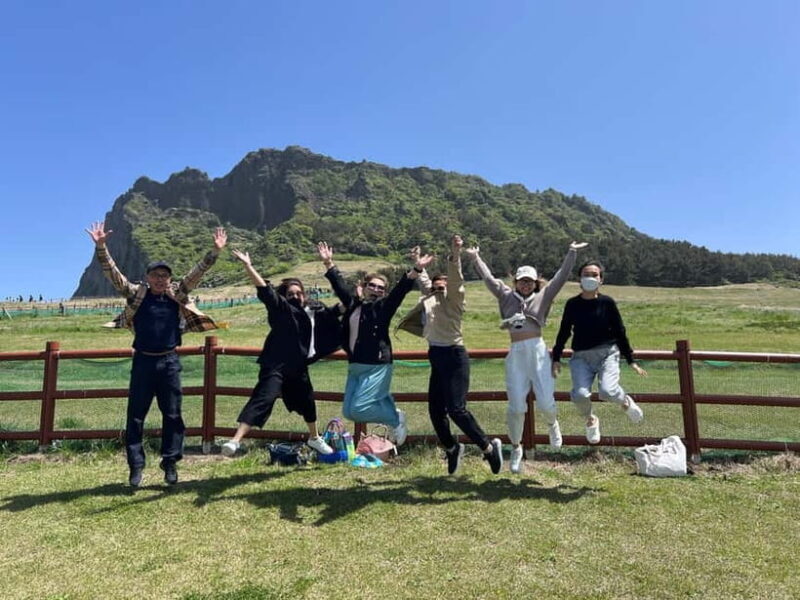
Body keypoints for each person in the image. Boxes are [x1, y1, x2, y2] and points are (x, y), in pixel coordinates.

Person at [86, 220, 227, 487]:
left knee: (173, 415)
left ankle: (170, 463)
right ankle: (136, 466)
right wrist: (101, 248)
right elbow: (113, 275)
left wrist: (215, 252)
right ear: (148, 277)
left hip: (170, 362)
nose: (161, 279)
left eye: (165, 276)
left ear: (170, 279)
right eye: (156, 275)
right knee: (135, 416)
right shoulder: (136, 295)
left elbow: (196, 273)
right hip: (142, 362)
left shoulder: (177, 295)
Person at [465, 241, 587, 474]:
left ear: (535, 283)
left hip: (538, 351)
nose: (525, 284)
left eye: (529, 281)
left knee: (545, 401)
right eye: (522, 280)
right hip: (516, 353)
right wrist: (475, 258)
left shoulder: (543, 296)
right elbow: (489, 278)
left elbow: (560, 277)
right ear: (516, 282)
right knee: (516, 406)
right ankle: (516, 446)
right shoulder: (505, 296)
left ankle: (552, 424)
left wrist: (571, 252)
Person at [220, 250, 343, 458]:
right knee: (264, 397)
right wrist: (248, 266)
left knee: (307, 401)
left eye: (298, 293)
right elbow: (264, 289)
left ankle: (314, 438)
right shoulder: (281, 309)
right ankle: (235, 441)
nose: (295, 296)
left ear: (304, 294)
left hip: (298, 366)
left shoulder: (314, 310)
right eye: (290, 294)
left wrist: (353, 296)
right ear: (284, 296)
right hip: (275, 365)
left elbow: (338, 310)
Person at [398, 235, 503, 475]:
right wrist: (417, 260)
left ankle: (488, 448)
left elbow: (455, 279)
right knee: (435, 411)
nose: (440, 287)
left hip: (455, 356)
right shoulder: (430, 298)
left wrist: (455, 255)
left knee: (456, 409)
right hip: (436, 355)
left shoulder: (454, 300)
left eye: (443, 284)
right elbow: (424, 280)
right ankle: (452, 448)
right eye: (437, 285)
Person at [319, 242, 431, 446]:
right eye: (372, 285)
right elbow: (339, 285)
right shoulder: (353, 305)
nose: (376, 290)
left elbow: (399, 292)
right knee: (349, 411)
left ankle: (395, 418)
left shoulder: (383, 308)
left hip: (376, 364)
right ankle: (390, 408)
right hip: (355, 365)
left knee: (360, 408)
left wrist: (416, 270)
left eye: (381, 288)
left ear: (384, 293)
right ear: (363, 287)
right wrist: (328, 263)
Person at [551, 260, 648, 444]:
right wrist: (556, 357)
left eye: (594, 275)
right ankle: (591, 420)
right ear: (579, 279)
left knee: (608, 391)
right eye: (586, 274)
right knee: (579, 395)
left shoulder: (607, 303)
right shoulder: (572, 304)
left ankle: (625, 402)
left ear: (601, 279)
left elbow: (619, 331)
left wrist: (630, 359)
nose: (590, 278)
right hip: (581, 357)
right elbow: (564, 331)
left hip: (607, 354)